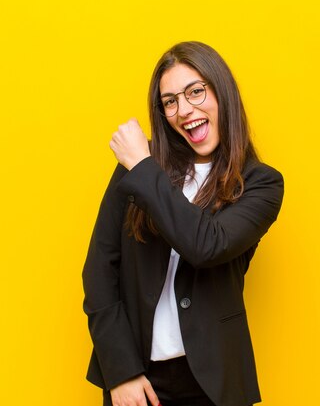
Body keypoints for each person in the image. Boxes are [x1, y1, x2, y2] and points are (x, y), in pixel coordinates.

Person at [82, 41, 284, 406]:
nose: (184, 110)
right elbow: (99, 273)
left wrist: (143, 168)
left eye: (195, 92)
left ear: (222, 93)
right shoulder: (138, 167)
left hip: (214, 384)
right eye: (170, 101)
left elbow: (207, 245)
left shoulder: (262, 183)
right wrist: (120, 372)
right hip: (138, 380)